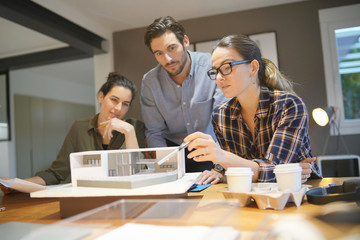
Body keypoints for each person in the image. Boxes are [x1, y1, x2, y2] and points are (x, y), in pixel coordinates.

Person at [184, 34, 321, 185]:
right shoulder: (221, 115)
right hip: (252, 195)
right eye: (215, 71)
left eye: (226, 67)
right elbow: (243, 172)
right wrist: (220, 170)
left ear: (253, 68)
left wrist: (221, 157)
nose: (218, 78)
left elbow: (272, 173)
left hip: (300, 194)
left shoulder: (289, 105)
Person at [1, 72, 145, 191]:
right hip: (85, 197)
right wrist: (16, 183)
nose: (119, 109)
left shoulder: (134, 127)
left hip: (123, 196)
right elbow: (56, 172)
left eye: (125, 104)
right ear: (101, 97)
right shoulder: (79, 127)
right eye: (114, 100)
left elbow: (139, 174)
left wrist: (129, 131)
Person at [141, 16, 227, 173]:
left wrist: (220, 167)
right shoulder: (150, 82)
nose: (167, 59)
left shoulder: (211, 67)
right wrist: (164, 168)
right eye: (159, 53)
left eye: (172, 48)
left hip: (211, 147)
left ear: (185, 41)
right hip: (172, 151)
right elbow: (155, 132)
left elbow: (224, 123)